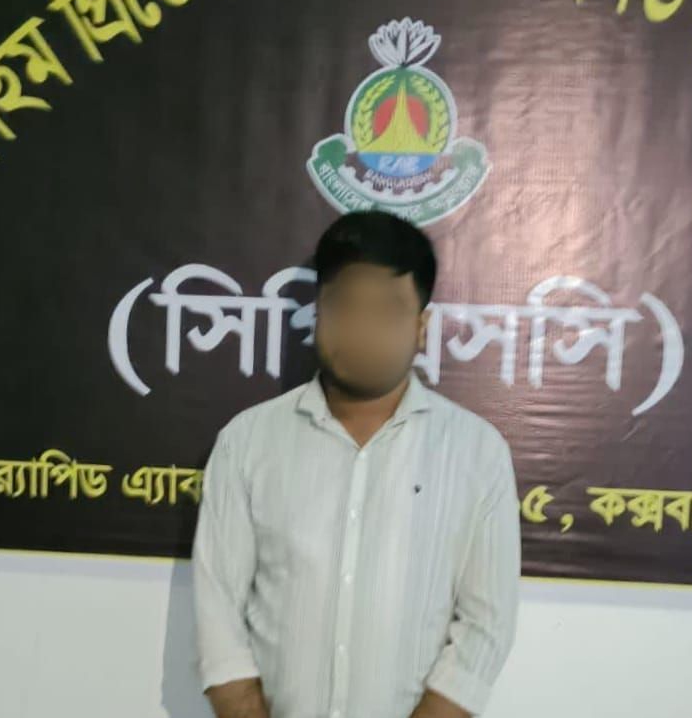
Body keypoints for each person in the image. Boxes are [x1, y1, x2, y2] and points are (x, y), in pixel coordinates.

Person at [192, 210, 521, 718]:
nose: (362, 330)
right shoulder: (248, 441)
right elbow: (217, 618)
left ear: (421, 326)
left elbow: (485, 628)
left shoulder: (477, 452)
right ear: (318, 311)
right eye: (344, 305)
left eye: (385, 310)